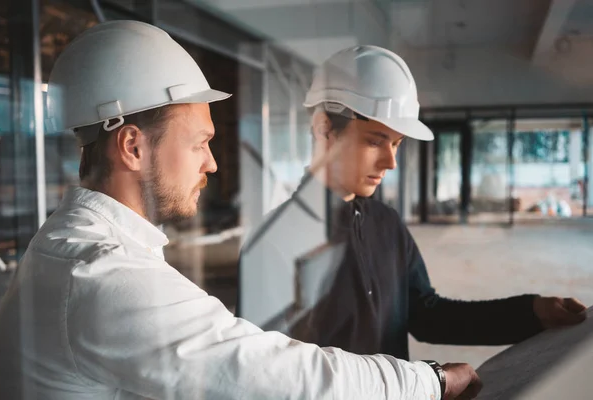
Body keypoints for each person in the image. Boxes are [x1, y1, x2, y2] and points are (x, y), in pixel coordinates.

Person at [0, 21, 481, 400]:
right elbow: (281, 376)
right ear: (133, 147)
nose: (213, 162)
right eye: (201, 142)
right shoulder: (101, 275)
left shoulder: (76, 248)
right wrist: (429, 382)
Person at [238, 45, 587, 360]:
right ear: (325, 129)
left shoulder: (386, 223)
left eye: (397, 144)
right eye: (376, 141)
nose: (390, 162)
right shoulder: (273, 244)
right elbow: (267, 375)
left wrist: (530, 312)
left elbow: (427, 316)